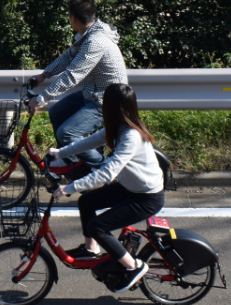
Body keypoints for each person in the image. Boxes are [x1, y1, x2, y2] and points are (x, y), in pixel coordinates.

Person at [48, 84, 164, 293]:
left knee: (97, 226)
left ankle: (134, 267)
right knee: (87, 201)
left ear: (112, 107)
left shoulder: (130, 136)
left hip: (146, 198)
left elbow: (106, 174)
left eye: (105, 102)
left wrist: (71, 187)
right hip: (131, 188)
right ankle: (91, 248)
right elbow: (88, 142)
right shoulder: (118, 126)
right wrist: (59, 153)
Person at [26, 0, 128, 171]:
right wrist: (44, 75)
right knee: (57, 111)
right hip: (92, 93)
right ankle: (68, 158)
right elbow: (69, 56)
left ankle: (104, 170)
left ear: (73, 18)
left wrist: (42, 98)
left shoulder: (96, 41)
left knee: (67, 134)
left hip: (107, 101)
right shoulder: (87, 34)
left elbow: (72, 75)